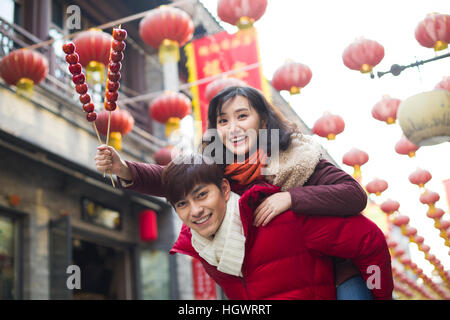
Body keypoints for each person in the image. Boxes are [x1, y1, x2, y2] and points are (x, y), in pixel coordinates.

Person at [95, 86, 372, 299]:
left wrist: (290, 197)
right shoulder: (219, 169)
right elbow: (175, 178)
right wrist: (125, 169)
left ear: (262, 121)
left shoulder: (297, 158)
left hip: (336, 276)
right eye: (223, 121)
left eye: (242, 116)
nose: (234, 128)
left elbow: (353, 194)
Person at [163, 153, 393, 300]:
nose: (195, 210)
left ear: (224, 189)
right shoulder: (204, 247)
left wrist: (378, 294)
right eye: (182, 204)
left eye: (201, 195)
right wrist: (128, 173)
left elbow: (369, 239)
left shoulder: (282, 219)